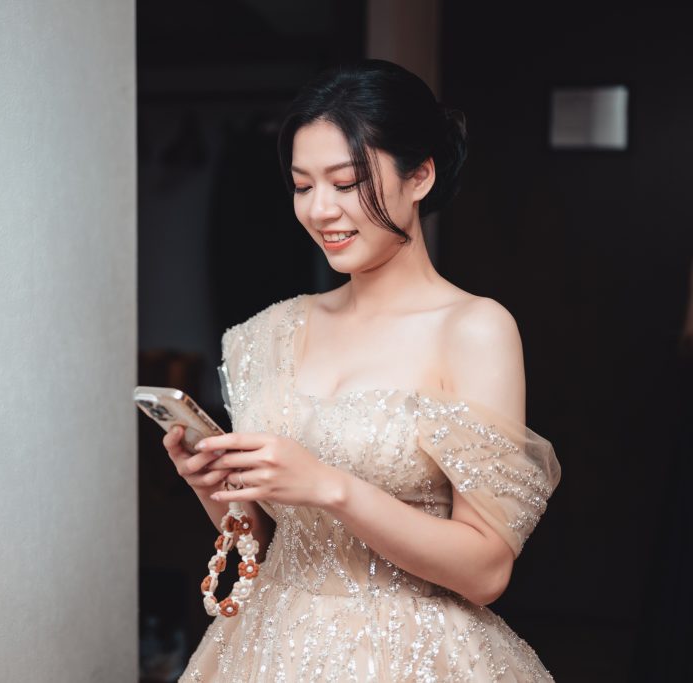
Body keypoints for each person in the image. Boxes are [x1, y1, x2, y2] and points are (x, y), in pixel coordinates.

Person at [163, 59, 562, 682]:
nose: (320, 210)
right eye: (303, 186)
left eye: (346, 183)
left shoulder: (473, 330)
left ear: (420, 175)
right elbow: (265, 541)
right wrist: (212, 486)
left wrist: (333, 487)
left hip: (412, 654)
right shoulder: (263, 335)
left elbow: (486, 571)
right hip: (268, 649)